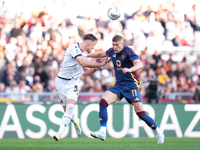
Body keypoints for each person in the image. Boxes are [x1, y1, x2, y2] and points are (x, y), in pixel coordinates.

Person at [87, 35, 165, 143]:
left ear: (122, 44)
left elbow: (140, 64)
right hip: (119, 85)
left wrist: (130, 69)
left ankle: (159, 133)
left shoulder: (128, 51)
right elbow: (100, 54)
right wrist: (85, 54)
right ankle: (102, 132)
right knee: (103, 102)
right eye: (113, 45)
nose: (114, 47)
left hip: (131, 85)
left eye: (117, 45)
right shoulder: (112, 52)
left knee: (141, 113)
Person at [53, 34, 108, 141]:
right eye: (93, 45)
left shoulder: (81, 54)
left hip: (73, 83)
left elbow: (86, 71)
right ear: (89, 42)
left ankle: (59, 133)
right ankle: (76, 122)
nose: (93, 48)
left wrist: (97, 67)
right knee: (67, 111)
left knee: (70, 108)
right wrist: (100, 64)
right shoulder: (73, 49)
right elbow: (82, 62)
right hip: (60, 82)